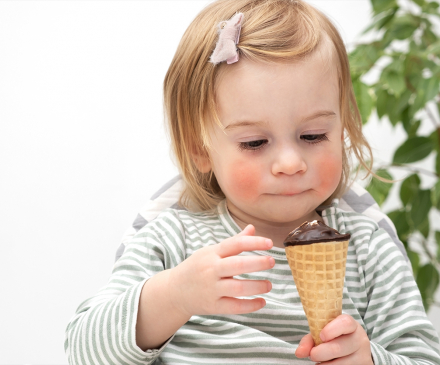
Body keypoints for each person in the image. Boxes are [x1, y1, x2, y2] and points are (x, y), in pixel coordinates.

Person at [65, 0, 440, 364]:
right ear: (201, 149)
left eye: (312, 136)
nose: (291, 163)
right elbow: (84, 350)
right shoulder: (173, 241)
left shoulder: (367, 249)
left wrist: (369, 359)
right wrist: (174, 296)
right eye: (255, 143)